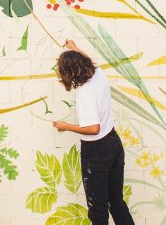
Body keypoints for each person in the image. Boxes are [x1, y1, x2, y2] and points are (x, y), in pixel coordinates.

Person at [52, 39, 135, 225]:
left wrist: (66, 126)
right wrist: (74, 48)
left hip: (97, 151)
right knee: (116, 203)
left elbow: (93, 128)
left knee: (97, 210)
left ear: (70, 72)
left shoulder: (85, 93)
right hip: (113, 143)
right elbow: (89, 60)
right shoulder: (98, 75)